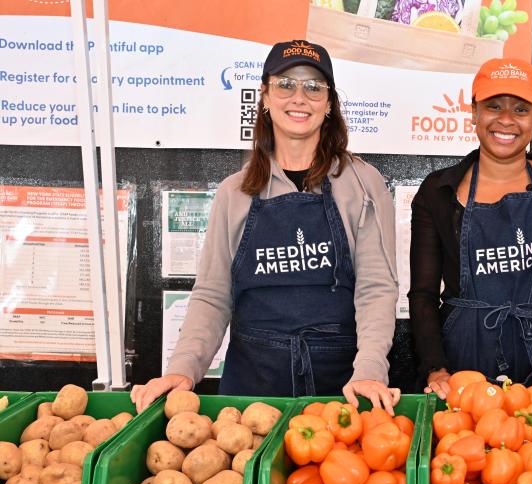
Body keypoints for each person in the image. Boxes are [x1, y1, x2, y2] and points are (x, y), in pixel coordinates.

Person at [131, 40, 400, 412]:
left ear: (329, 103)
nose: (299, 98)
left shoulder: (363, 184)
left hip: (341, 388)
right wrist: (183, 368)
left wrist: (370, 370)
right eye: (285, 84)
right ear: (265, 96)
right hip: (251, 389)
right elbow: (212, 294)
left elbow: (376, 289)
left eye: (313, 87)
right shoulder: (234, 192)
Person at [409, 58, 532, 398]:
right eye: (493, 106)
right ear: (474, 113)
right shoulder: (437, 192)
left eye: (521, 109)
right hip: (461, 366)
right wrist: (436, 367)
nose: (506, 120)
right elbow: (422, 295)